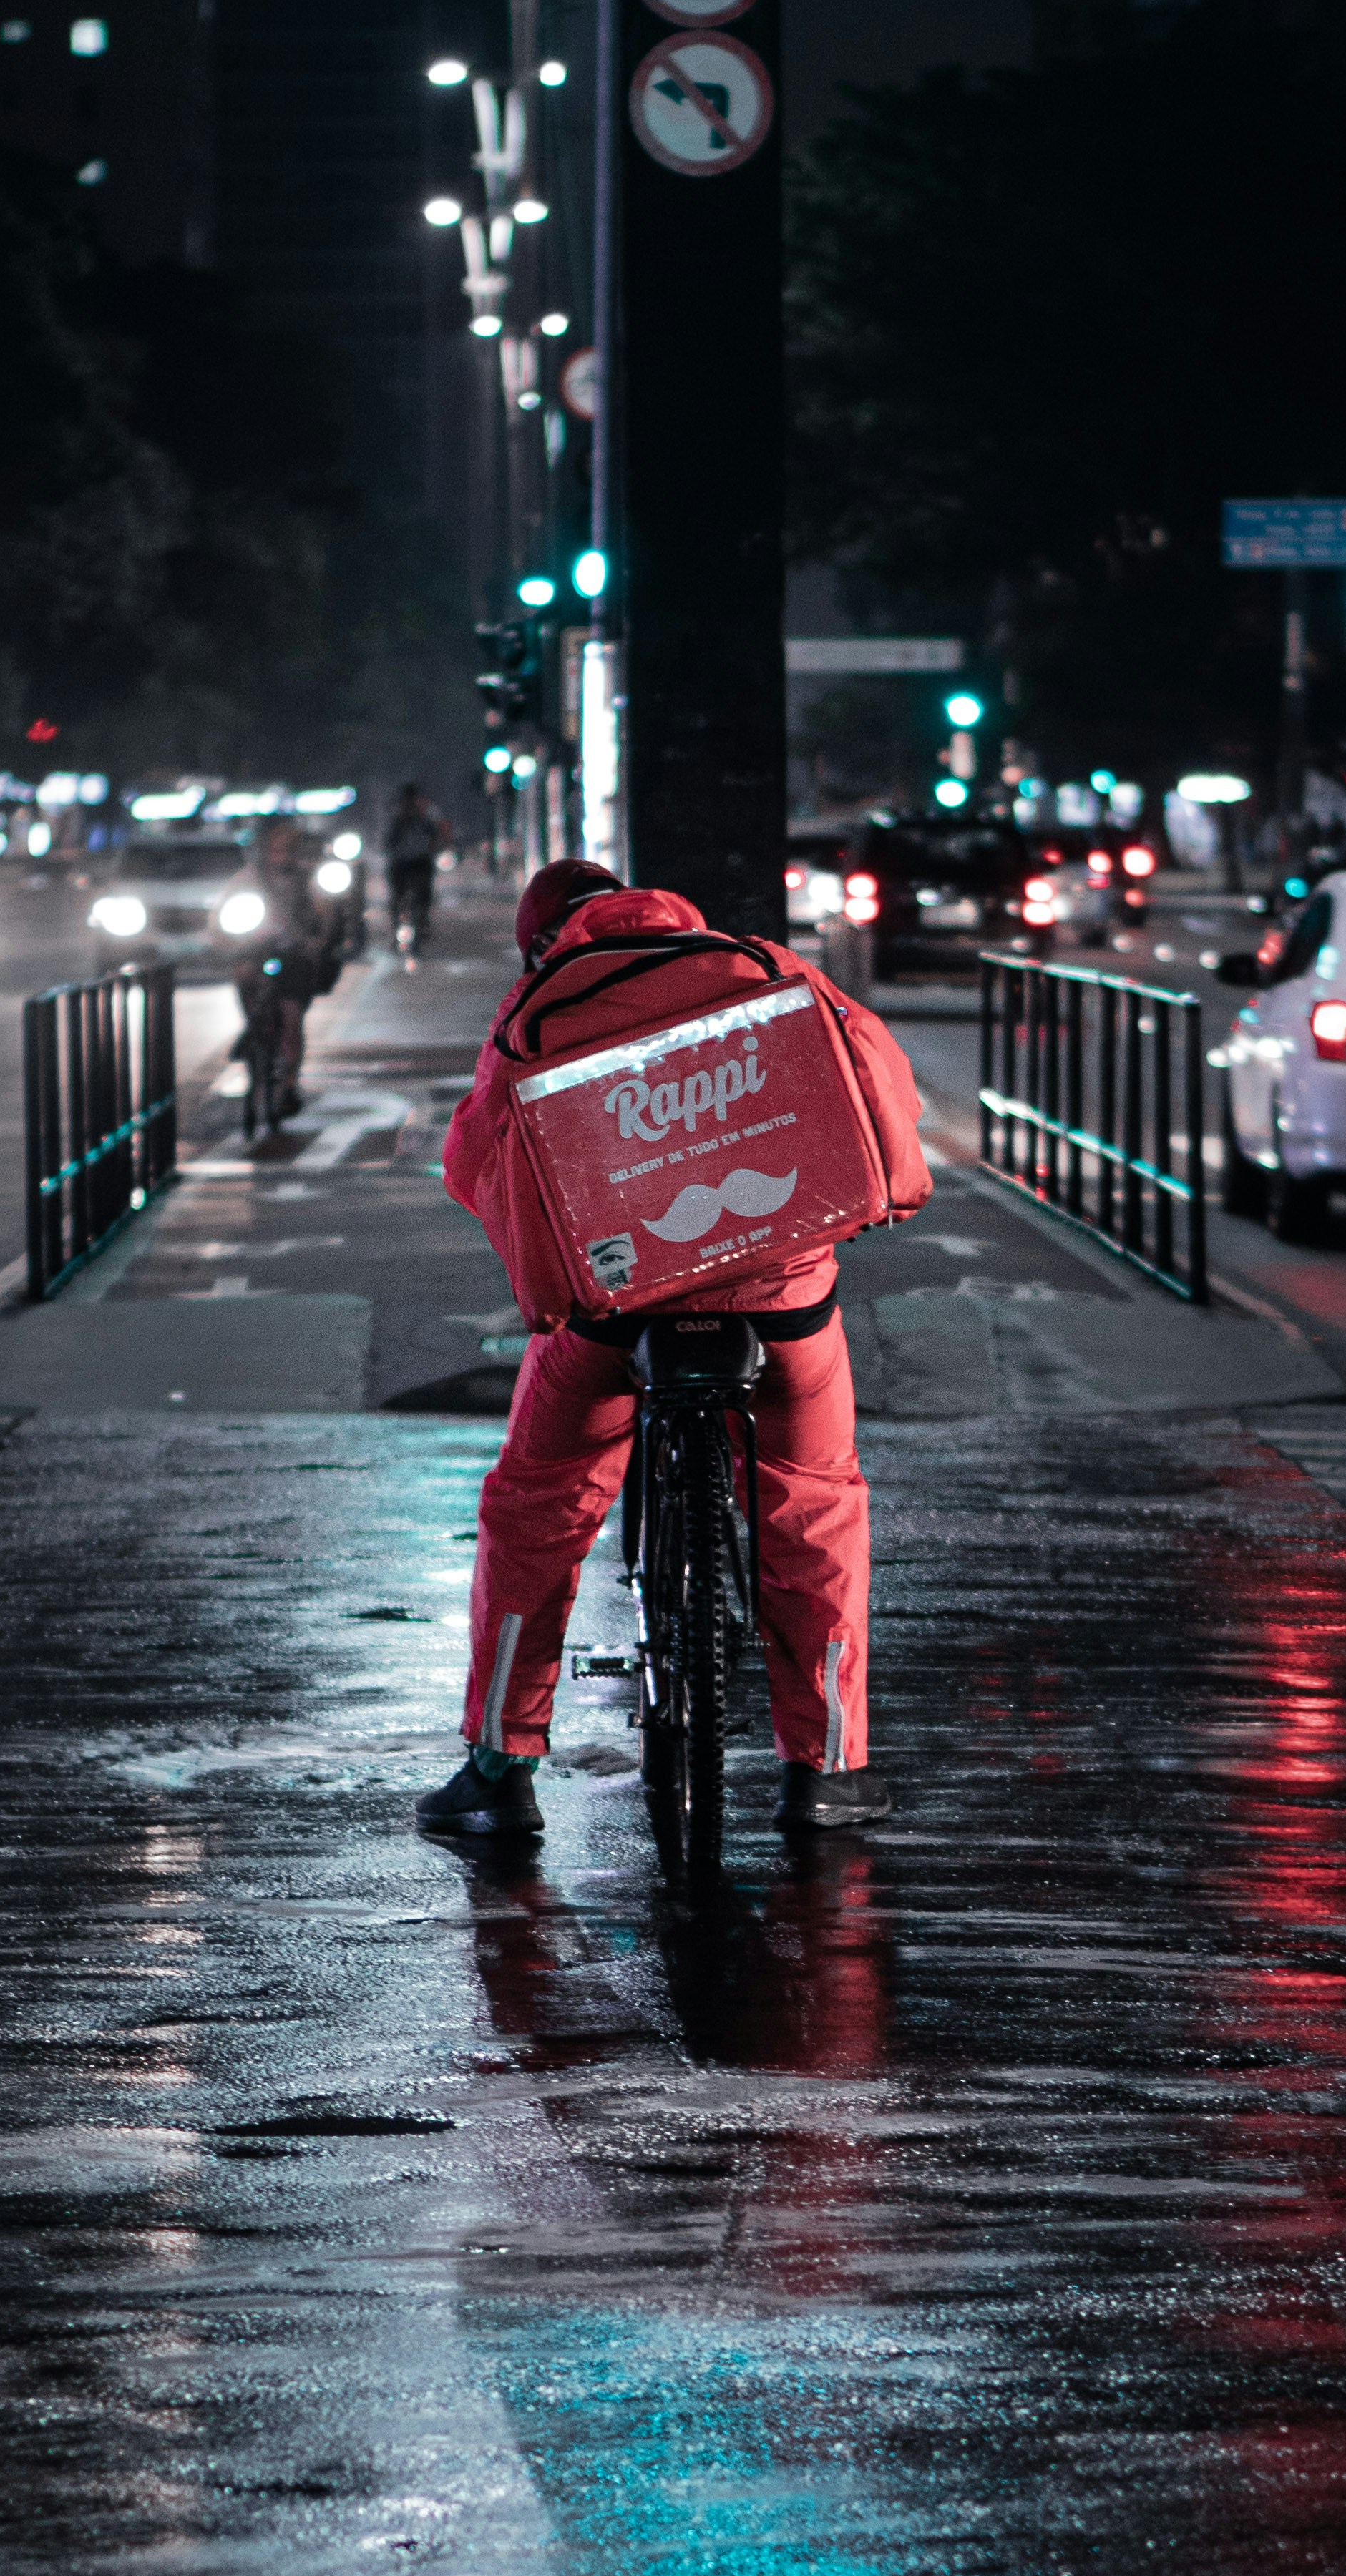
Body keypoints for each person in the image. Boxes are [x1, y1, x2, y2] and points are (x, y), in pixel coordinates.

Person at [419, 857, 932, 1846]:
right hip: (782, 1303)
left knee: (537, 1507)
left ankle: (498, 1770)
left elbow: (473, 1163)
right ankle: (827, 1769)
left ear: (544, 941)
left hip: (613, 1315)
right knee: (815, 1505)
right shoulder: (764, 965)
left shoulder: (535, 1006)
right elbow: (882, 1091)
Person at [228, 820, 334, 1145]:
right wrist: (225, 936)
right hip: (256, 950)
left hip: (294, 954)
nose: (281, 857)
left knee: (291, 1018)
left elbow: (325, 915)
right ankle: (254, 1030)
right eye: (276, 850)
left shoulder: (306, 880)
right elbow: (222, 914)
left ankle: (288, 1084)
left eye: (287, 851)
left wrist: (316, 941)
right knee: (245, 978)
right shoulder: (249, 878)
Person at [382, 784, 449, 965]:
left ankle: (423, 923)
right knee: (396, 899)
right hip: (401, 862)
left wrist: (438, 846)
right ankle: (396, 932)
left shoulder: (426, 812)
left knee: (423, 896)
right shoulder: (395, 814)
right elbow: (386, 840)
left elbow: (438, 833)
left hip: (420, 861)